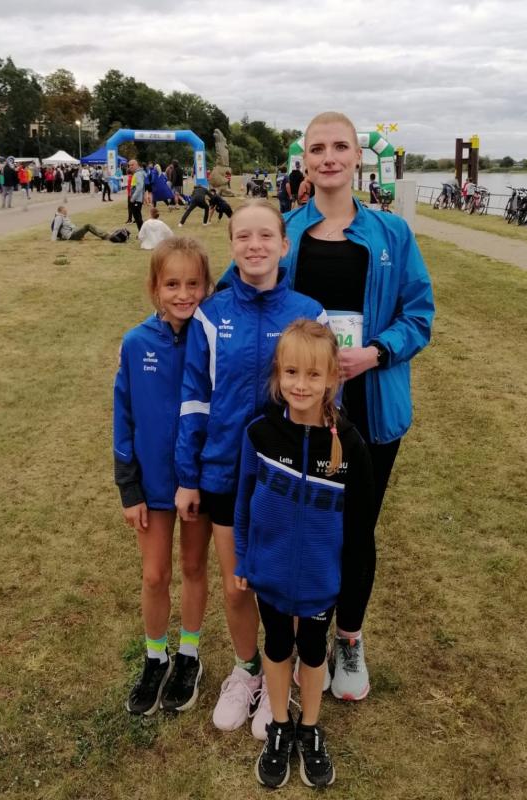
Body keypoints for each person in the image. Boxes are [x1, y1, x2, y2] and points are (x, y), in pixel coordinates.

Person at [274, 111, 433, 702]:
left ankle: (349, 639)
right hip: (300, 411)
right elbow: (247, 294)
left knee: (357, 530)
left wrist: (375, 352)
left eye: (340, 146)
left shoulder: (391, 233)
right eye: (318, 148)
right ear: (305, 159)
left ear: (358, 157)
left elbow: (419, 315)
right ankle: (303, 638)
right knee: (303, 525)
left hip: (370, 408)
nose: (329, 157)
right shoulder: (286, 232)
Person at [174, 200, 327, 735]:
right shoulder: (210, 315)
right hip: (223, 473)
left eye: (266, 235)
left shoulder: (309, 313)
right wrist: (188, 476)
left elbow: (327, 399)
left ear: (284, 245)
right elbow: (195, 399)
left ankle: (279, 676)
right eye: (244, 236)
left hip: (286, 478)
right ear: (232, 246)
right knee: (237, 586)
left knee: (282, 588)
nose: (255, 245)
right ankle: (246, 671)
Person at [235, 320, 374, 788]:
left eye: (314, 375)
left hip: (319, 581)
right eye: (291, 372)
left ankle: (310, 728)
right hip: (270, 573)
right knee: (277, 644)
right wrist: (243, 558)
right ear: (278, 373)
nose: (300, 384)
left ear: (333, 378)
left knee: (312, 651)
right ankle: (279, 725)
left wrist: (348, 581)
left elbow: (360, 529)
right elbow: (242, 502)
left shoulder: (350, 446)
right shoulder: (260, 434)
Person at [114, 237, 214, 715]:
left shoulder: (212, 340)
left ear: (207, 286)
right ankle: (156, 657)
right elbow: (124, 418)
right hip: (151, 487)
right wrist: (128, 488)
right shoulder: (136, 343)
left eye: (193, 283)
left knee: (194, 567)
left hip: (198, 481)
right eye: (172, 284)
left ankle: (189, 654)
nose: (183, 294)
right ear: (154, 287)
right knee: (155, 574)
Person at [129, 160, 146, 230]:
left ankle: (142, 233)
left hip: (136, 199)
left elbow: (140, 187)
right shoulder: (137, 173)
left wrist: (133, 198)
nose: (130, 167)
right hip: (137, 199)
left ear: (137, 165)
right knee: (138, 217)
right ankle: (142, 233)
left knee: (138, 218)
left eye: (132, 165)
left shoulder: (138, 174)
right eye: (129, 165)